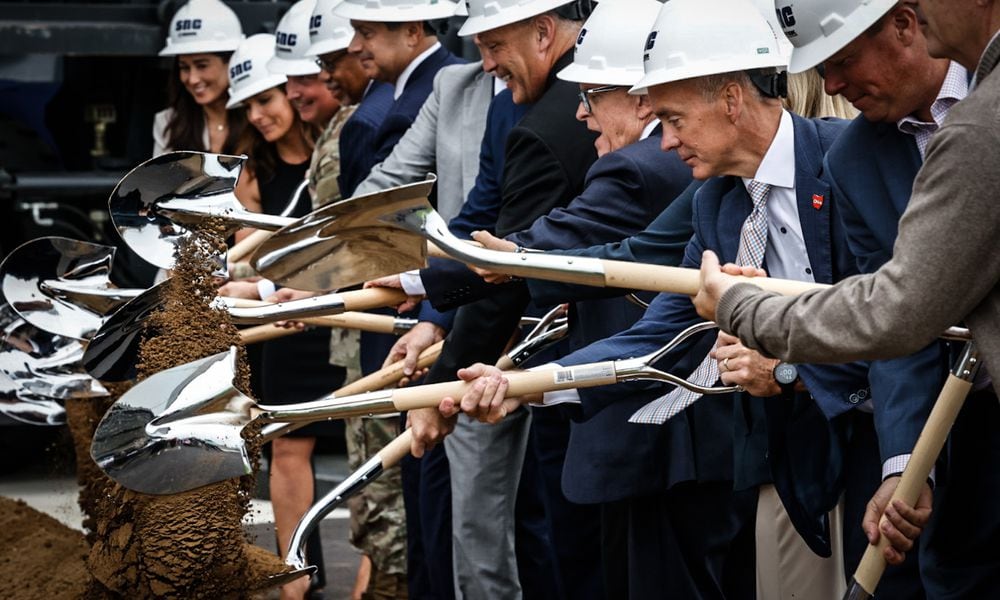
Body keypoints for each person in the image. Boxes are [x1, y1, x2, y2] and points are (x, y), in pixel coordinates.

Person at [446, 1, 880, 598]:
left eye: (673, 117)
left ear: (730, 98)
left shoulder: (849, 159)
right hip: (793, 459)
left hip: (888, 447)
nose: (665, 141)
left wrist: (786, 367)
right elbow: (658, 338)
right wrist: (522, 385)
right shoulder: (716, 203)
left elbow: (897, 321)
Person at [698, 0, 1000, 597]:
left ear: (905, 25)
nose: (831, 85)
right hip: (965, 451)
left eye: (842, 61)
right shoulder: (855, 159)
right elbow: (904, 338)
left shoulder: (980, 119)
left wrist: (744, 310)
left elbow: (895, 305)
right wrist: (906, 467)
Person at [215, 33, 348, 600]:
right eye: (249, 105)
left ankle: (384, 572)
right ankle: (297, 579)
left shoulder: (343, 141)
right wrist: (268, 289)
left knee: (376, 434)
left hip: (349, 306)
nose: (259, 114)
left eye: (266, 99)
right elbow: (253, 251)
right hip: (289, 323)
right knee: (289, 447)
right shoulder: (253, 169)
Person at [153, 0, 247, 155]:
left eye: (202, 65)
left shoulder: (259, 118)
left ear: (231, 61)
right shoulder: (168, 123)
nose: (192, 79)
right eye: (184, 67)